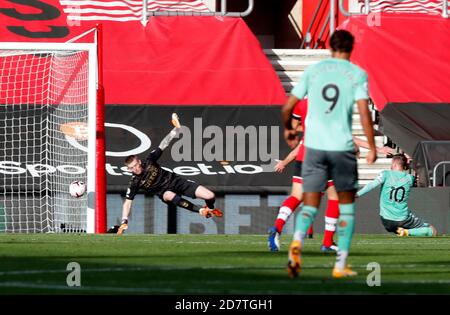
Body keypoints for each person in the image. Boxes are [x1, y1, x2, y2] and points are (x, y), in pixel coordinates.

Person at [282, 30, 377, 279]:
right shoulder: (357, 74)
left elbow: (288, 106)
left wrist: (288, 131)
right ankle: (340, 264)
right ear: (351, 47)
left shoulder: (314, 71)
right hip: (341, 148)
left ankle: (295, 249)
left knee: (310, 205)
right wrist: (372, 146)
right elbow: (365, 113)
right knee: (346, 208)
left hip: (313, 148)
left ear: (329, 46)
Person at [117, 113, 223, 234]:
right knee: (168, 195)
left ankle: (210, 208)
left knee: (210, 196)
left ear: (139, 162)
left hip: (176, 181)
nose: (135, 169)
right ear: (129, 169)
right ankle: (200, 211)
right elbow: (128, 202)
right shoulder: (134, 182)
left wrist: (175, 130)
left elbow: (163, 144)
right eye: (131, 168)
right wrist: (124, 220)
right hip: (164, 192)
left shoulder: (149, 161)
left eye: (135, 165)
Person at [268, 99, 340, 253]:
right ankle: (327, 242)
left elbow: (293, 126)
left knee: (295, 196)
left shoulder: (303, 103)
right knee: (334, 197)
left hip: (304, 156)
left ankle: (277, 228)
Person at [357, 154, 437, 237]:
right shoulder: (410, 179)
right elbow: (423, 181)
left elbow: (372, 184)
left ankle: (403, 232)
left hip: (386, 221)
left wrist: (357, 194)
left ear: (394, 164)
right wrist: (411, 164)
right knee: (432, 230)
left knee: (399, 229)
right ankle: (407, 232)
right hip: (403, 219)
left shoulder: (385, 174)